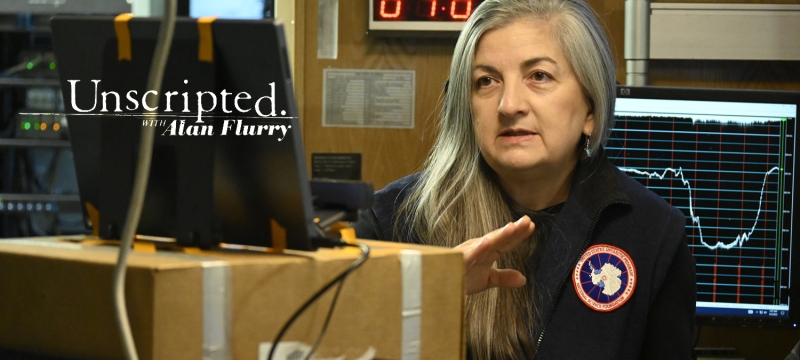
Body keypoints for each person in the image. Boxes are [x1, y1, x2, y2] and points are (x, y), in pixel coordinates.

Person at [352, 0, 696, 358]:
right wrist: (429, 293)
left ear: (591, 110)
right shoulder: (392, 221)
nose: (509, 105)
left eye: (539, 76)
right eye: (486, 81)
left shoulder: (653, 234)